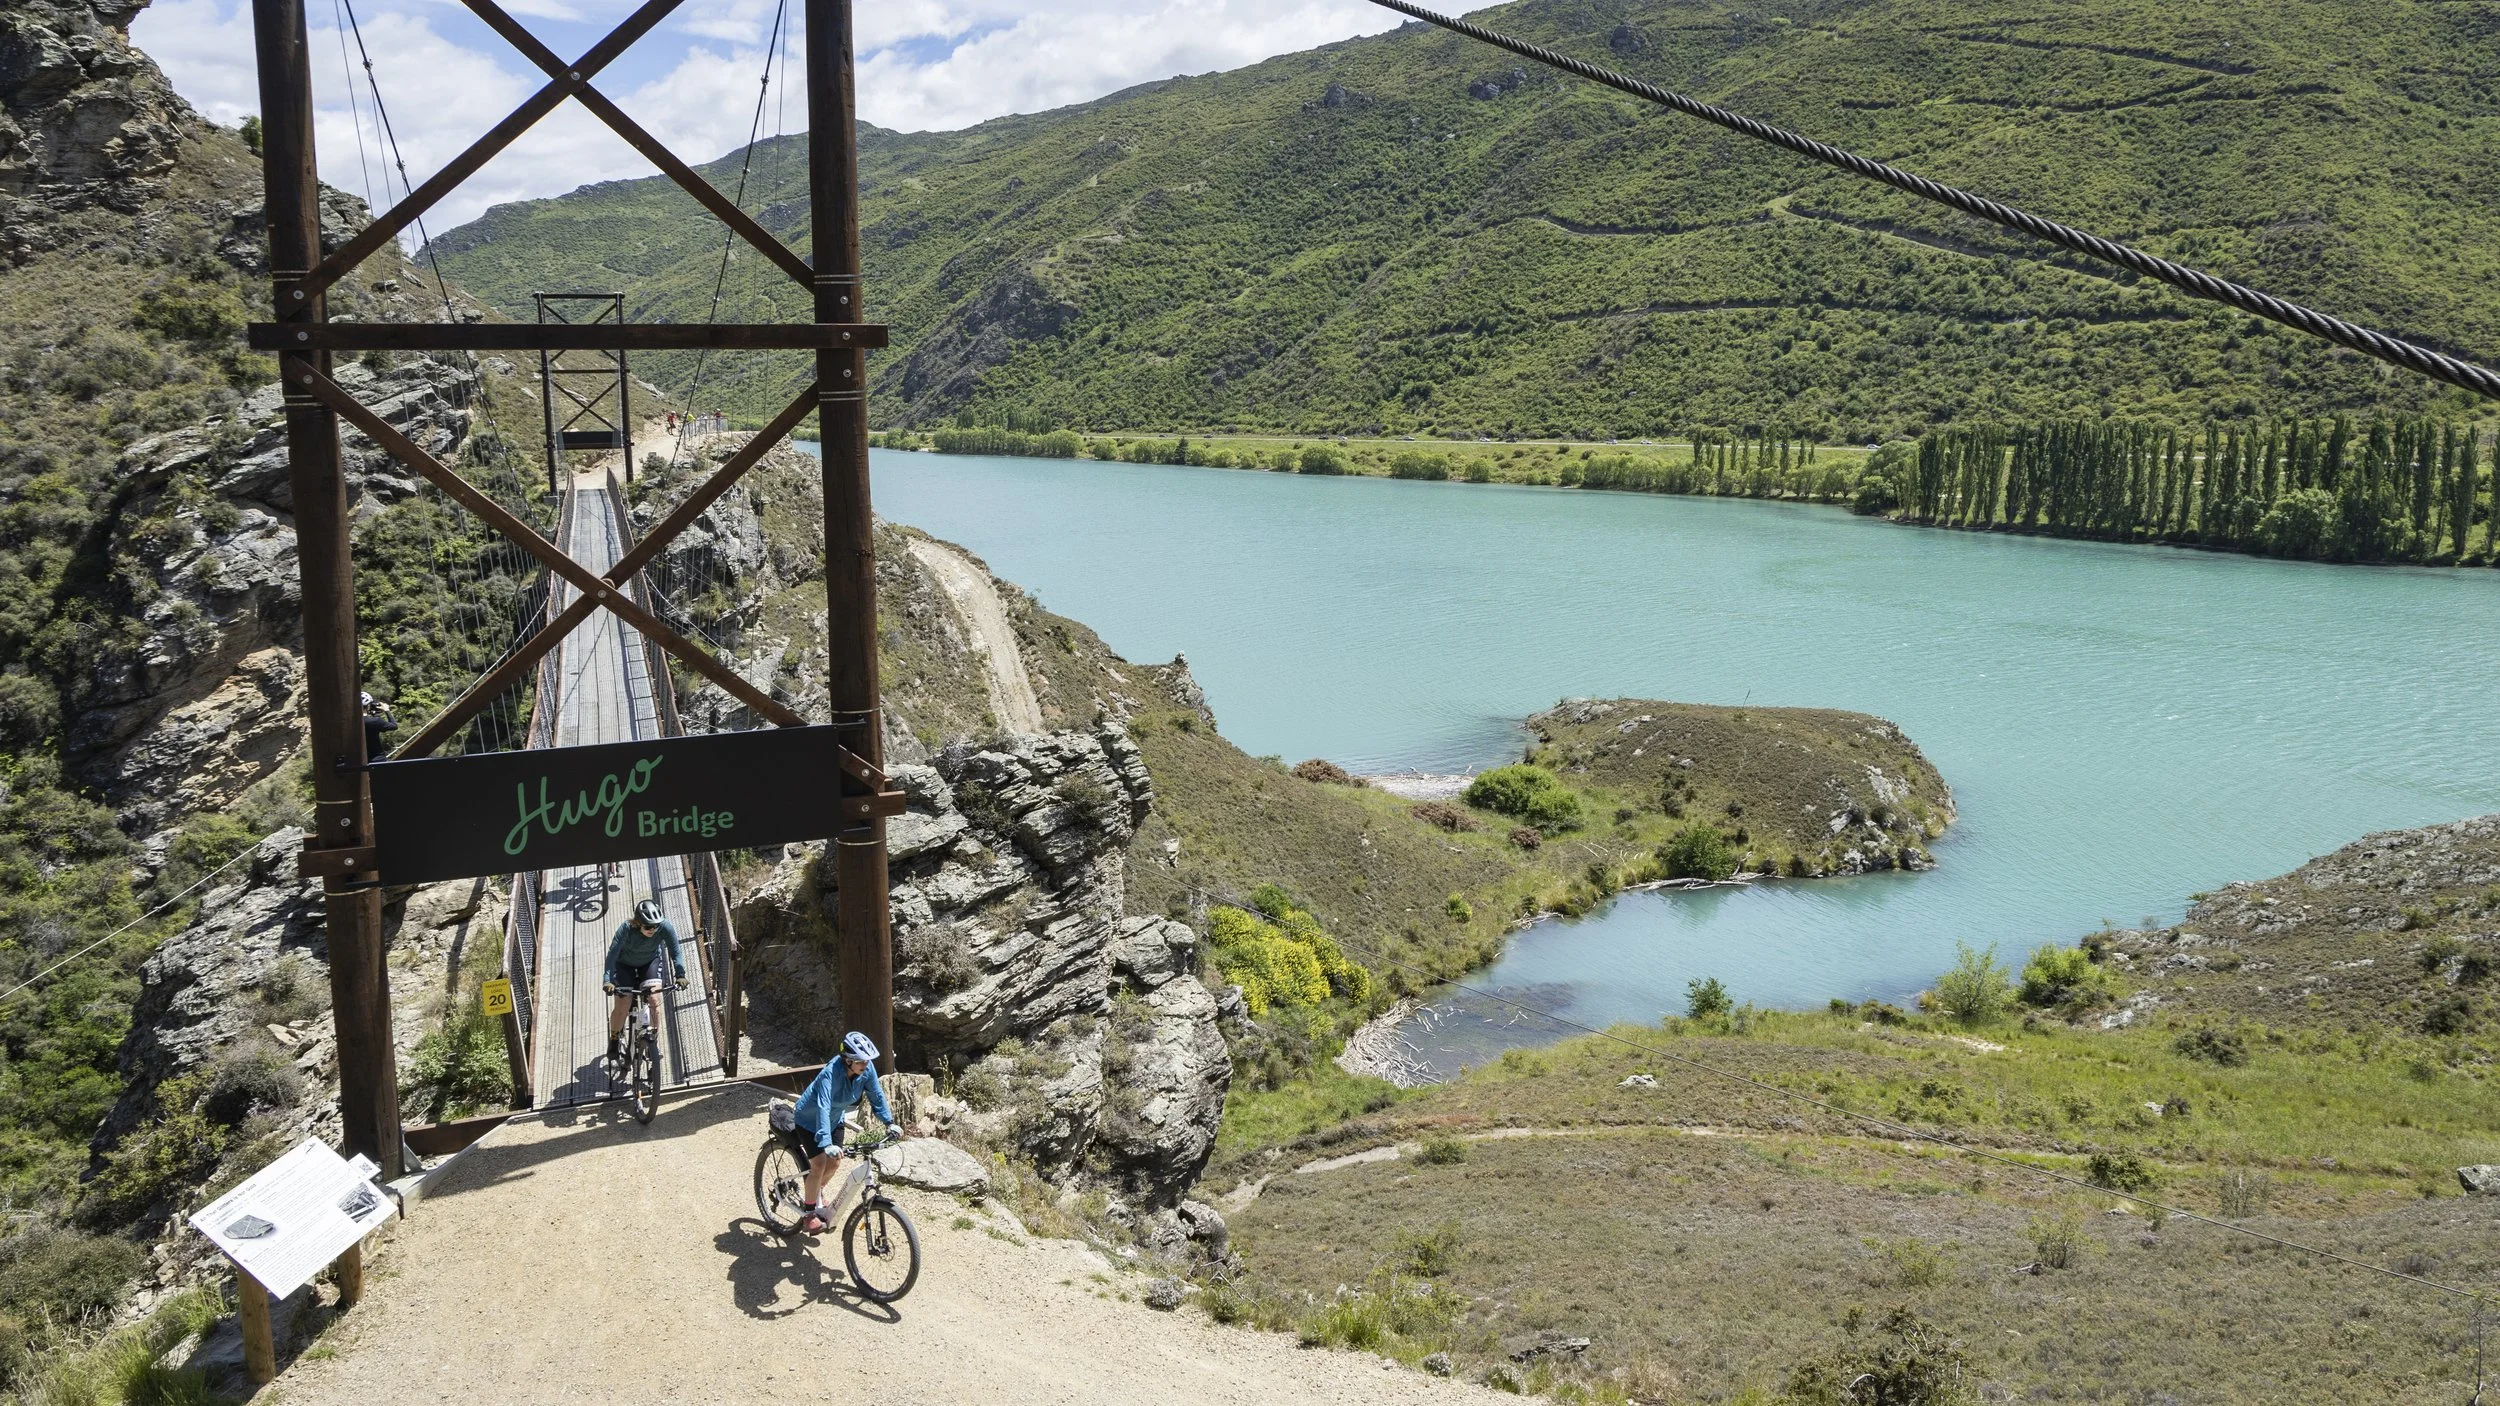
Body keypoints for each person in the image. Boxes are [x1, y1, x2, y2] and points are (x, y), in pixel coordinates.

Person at [791, 1030, 899, 1235]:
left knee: (835, 1162)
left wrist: (889, 1122)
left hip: (835, 1119)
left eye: (867, 1061)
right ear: (848, 1060)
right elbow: (823, 1107)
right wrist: (825, 1142)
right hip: (809, 1120)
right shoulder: (830, 1074)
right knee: (819, 1164)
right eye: (860, 1062)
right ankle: (809, 1214)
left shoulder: (866, 1070)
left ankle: (815, 1192)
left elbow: (876, 1095)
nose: (865, 1065)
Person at [603, 898, 684, 1067]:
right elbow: (612, 954)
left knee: (654, 1000)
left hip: (649, 962)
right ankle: (614, 1037)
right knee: (622, 1005)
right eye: (648, 926)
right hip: (624, 964)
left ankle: (653, 1039)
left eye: (655, 926)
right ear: (638, 922)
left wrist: (680, 974)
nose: (652, 930)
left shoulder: (664, 927)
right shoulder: (626, 929)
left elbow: (675, 951)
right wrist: (608, 980)